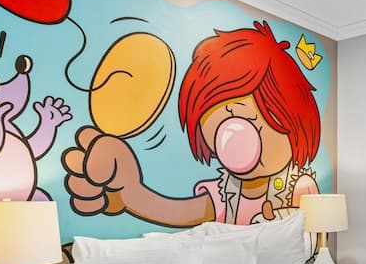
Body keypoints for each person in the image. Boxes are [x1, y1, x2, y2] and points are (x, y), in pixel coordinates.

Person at [63, 21, 320, 227]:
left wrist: (280, 223)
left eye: (265, 115)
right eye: (224, 116)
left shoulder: (298, 187)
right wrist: (129, 190)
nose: (239, 125)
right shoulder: (225, 191)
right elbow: (177, 211)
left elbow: (315, 241)